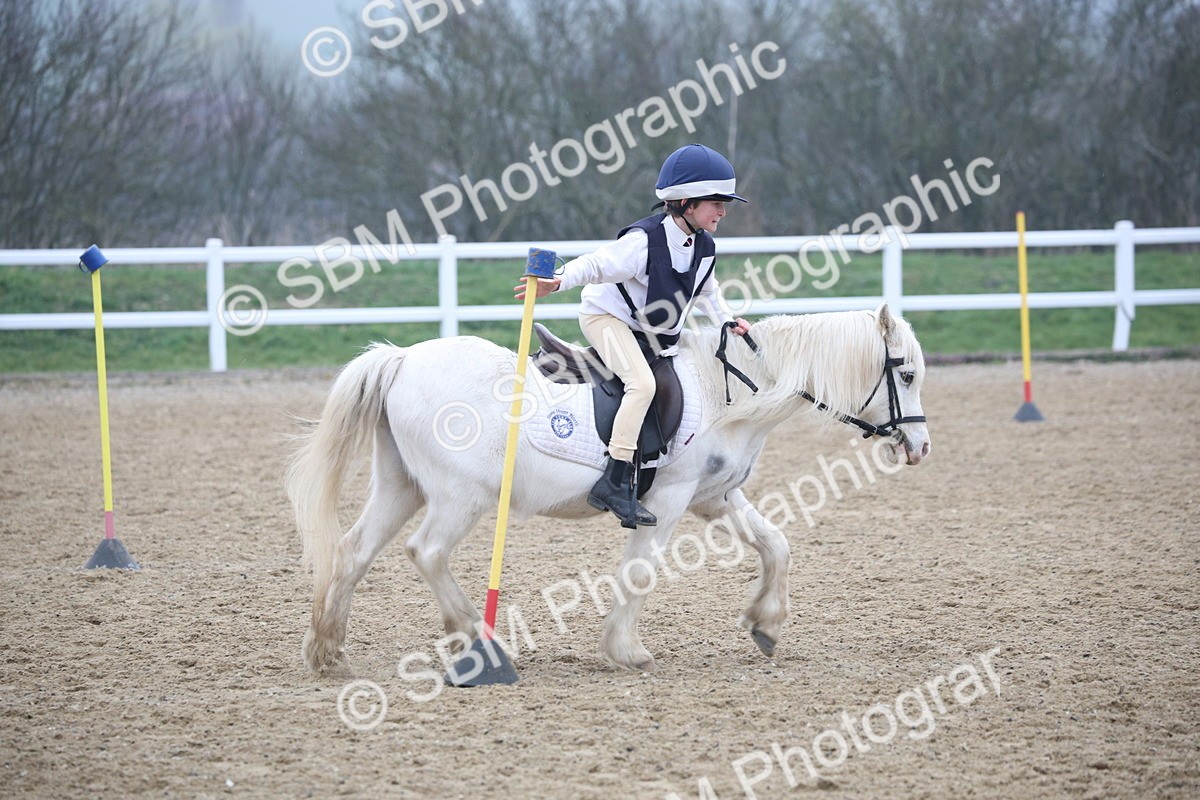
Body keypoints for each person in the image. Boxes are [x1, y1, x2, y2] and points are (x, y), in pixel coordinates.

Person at [515, 143, 752, 528]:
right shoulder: (643, 242)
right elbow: (595, 265)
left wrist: (728, 320)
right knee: (641, 385)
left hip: (656, 333)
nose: (724, 211)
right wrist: (557, 283)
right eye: (717, 202)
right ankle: (615, 479)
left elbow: (708, 292)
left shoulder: (705, 247)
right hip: (607, 319)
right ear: (686, 203)